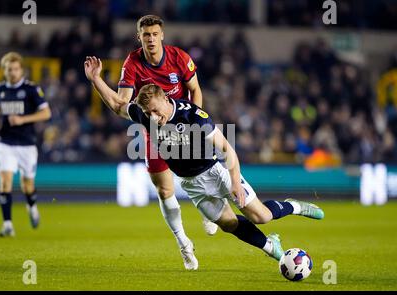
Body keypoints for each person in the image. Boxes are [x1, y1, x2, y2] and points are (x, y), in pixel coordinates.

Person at [84, 56, 325, 266]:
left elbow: (227, 149)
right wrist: (96, 79)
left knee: (260, 216)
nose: (155, 118)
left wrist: (235, 182)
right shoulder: (145, 114)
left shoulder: (193, 116)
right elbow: (117, 104)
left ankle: (294, 206)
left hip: (215, 173)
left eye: (157, 111)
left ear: (166, 100)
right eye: (149, 114)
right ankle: (271, 246)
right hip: (191, 184)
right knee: (229, 224)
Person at [114, 15, 217, 270]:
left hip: (182, 124)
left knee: (196, 175)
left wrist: (194, 120)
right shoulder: (132, 63)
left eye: (154, 34)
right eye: (145, 35)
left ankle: (207, 211)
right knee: (164, 191)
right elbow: (122, 101)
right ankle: (184, 244)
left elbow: (196, 89)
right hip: (154, 132)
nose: (150, 39)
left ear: (162, 35)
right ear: (139, 37)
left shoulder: (179, 57)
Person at [0, 52, 52, 237]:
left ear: (21, 70)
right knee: (5, 182)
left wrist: (22, 120)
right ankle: (7, 224)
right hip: (5, 143)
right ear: (4, 71)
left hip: (27, 144)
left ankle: (32, 206)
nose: (12, 72)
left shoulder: (31, 90)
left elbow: (46, 114)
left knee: (26, 185)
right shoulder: (0, 90)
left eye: (15, 69)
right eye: (8, 69)